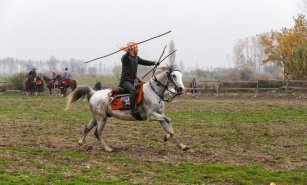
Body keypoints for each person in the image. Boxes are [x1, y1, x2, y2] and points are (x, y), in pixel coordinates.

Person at [119, 42, 157, 115]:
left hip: (132, 81)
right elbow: (123, 59)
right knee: (133, 90)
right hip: (125, 81)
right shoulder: (126, 58)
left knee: (142, 89)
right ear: (132, 49)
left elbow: (145, 62)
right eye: (136, 48)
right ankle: (132, 109)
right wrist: (127, 52)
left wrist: (154, 63)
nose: (138, 50)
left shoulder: (136, 58)